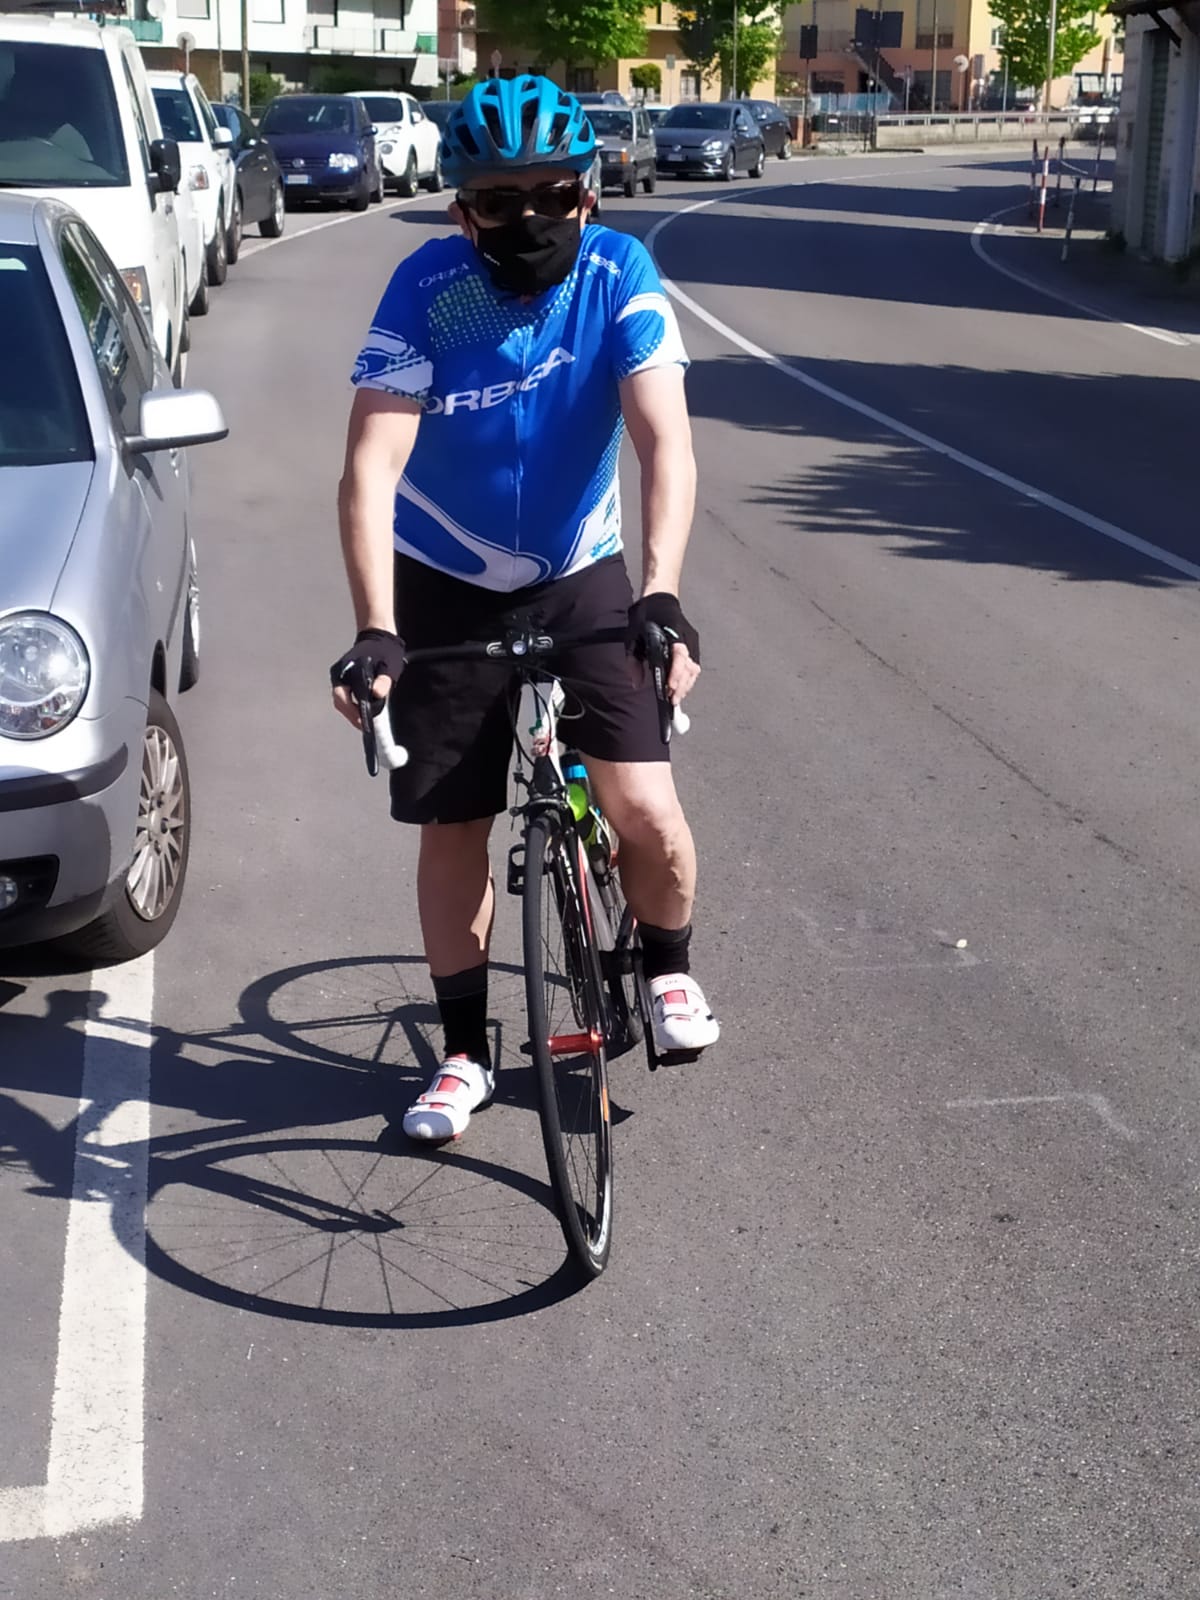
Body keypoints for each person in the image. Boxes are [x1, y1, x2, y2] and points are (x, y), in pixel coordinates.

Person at [331, 75, 718, 1144]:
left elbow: (664, 441)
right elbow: (370, 470)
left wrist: (661, 590)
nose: (530, 219)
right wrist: (375, 629)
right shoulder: (430, 289)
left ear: (589, 194)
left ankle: (668, 968)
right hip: (443, 582)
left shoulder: (616, 272)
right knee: (453, 824)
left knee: (645, 810)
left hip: (579, 568)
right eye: (500, 202)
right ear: (464, 211)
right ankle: (465, 1055)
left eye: (553, 195)